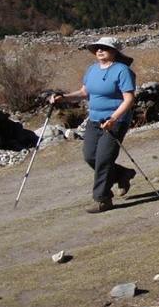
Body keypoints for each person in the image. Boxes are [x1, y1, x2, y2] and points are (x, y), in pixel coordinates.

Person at [49, 37, 136, 213]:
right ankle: (122, 174)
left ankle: (102, 199)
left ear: (114, 51)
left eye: (105, 48)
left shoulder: (122, 71)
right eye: (97, 48)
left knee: (104, 159)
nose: (100, 50)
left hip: (115, 121)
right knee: (90, 156)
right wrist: (64, 98)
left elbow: (129, 99)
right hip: (94, 120)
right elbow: (84, 92)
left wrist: (113, 118)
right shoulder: (91, 70)